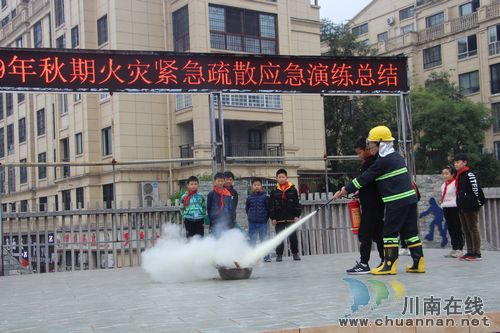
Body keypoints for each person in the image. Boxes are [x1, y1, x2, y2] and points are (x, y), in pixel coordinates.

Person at [333, 125, 425, 275]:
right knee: (410, 233)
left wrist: (344, 190)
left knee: (388, 233)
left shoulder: (383, 161)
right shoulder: (396, 157)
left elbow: (364, 178)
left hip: (397, 202)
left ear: (381, 144)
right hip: (410, 199)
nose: (369, 147)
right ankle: (418, 263)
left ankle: (388, 265)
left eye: (371, 144)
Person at [346, 138, 384, 275]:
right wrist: (358, 192)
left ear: (367, 148)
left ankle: (364, 263)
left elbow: (363, 180)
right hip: (373, 203)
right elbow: (368, 183)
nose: (359, 155)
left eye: (360, 152)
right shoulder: (371, 162)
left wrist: (347, 189)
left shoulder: (372, 163)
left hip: (372, 205)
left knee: (365, 233)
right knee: (377, 233)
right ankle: (384, 260)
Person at [454, 154, 485, 261]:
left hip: (471, 206)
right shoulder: (458, 175)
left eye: (458, 162)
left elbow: (476, 189)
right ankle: (470, 251)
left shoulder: (470, 174)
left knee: (473, 228)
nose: (456, 164)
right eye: (455, 162)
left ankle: (477, 253)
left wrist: (477, 202)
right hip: (462, 206)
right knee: (466, 229)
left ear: (465, 162)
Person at [269, 168, 302, 262]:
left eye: (283, 177)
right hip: (279, 219)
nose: (281, 179)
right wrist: (273, 218)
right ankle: (279, 255)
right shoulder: (274, 191)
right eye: (279, 177)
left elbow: (297, 203)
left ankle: (295, 254)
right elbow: (271, 206)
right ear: (276, 178)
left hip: (291, 218)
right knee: (279, 237)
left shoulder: (293, 190)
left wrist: (297, 215)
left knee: (293, 237)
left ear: (286, 177)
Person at [246, 178, 272, 262]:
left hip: (262, 223)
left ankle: (266, 256)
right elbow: (247, 209)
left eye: (258, 185)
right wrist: (250, 217)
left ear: (261, 186)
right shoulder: (249, 197)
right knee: (252, 240)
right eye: (255, 185)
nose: (256, 186)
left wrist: (265, 219)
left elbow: (268, 209)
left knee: (263, 239)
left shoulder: (265, 197)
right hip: (252, 222)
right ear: (252, 186)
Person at [440, 166, 464, 258]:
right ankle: (454, 248)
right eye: (443, 174)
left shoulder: (455, 183)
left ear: (453, 174)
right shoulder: (443, 185)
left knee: (457, 227)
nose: (444, 176)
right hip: (446, 207)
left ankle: (460, 248)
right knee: (450, 228)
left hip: (454, 207)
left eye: (447, 173)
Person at [207, 172, 235, 237]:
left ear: (224, 181)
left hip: (225, 220)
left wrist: (230, 219)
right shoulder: (211, 194)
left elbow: (230, 207)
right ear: (215, 181)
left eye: (222, 181)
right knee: (213, 238)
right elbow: (209, 208)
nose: (220, 183)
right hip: (214, 221)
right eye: (218, 181)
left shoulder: (228, 194)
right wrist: (211, 219)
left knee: (224, 239)